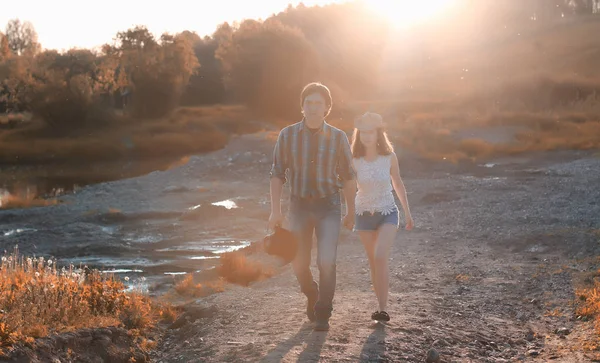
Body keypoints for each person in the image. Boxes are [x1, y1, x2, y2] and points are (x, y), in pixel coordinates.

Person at [268, 82, 357, 331]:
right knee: (298, 261)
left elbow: (349, 176)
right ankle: (311, 292)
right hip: (298, 207)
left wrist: (350, 210)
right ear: (302, 107)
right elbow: (276, 174)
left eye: (319, 103)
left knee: (326, 261)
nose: (314, 108)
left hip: (328, 206)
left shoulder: (338, 137)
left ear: (327, 107)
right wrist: (275, 211)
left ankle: (323, 312)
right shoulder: (287, 135)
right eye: (309, 103)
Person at [351, 112, 414, 322]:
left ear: (379, 134)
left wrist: (407, 212)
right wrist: (347, 212)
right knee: (373, 261)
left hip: (387, 212)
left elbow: (397, 183)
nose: (367, 136)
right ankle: (379, 307)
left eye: (371, 132)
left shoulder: (389, 157)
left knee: (380, 257)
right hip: (363, 215)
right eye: (363, 133)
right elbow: (348, 188)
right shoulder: (354, 160)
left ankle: (383, 308)